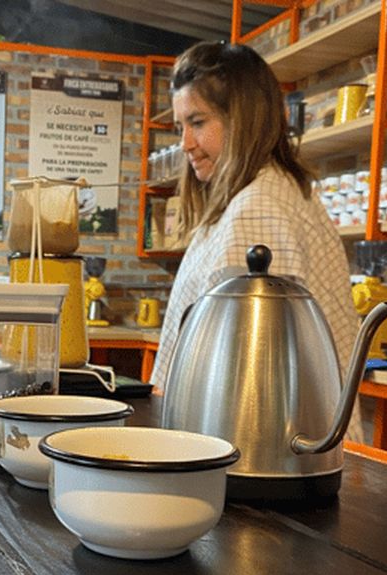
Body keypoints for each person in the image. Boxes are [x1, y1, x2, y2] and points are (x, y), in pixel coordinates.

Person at [149, 41, 361, 442]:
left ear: (243, 119)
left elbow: (250, 376)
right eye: (181, 127)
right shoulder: (266, 192)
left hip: (263, 452)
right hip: (285, 448)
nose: (185, 143)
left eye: (197, 122)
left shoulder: (258, 205)